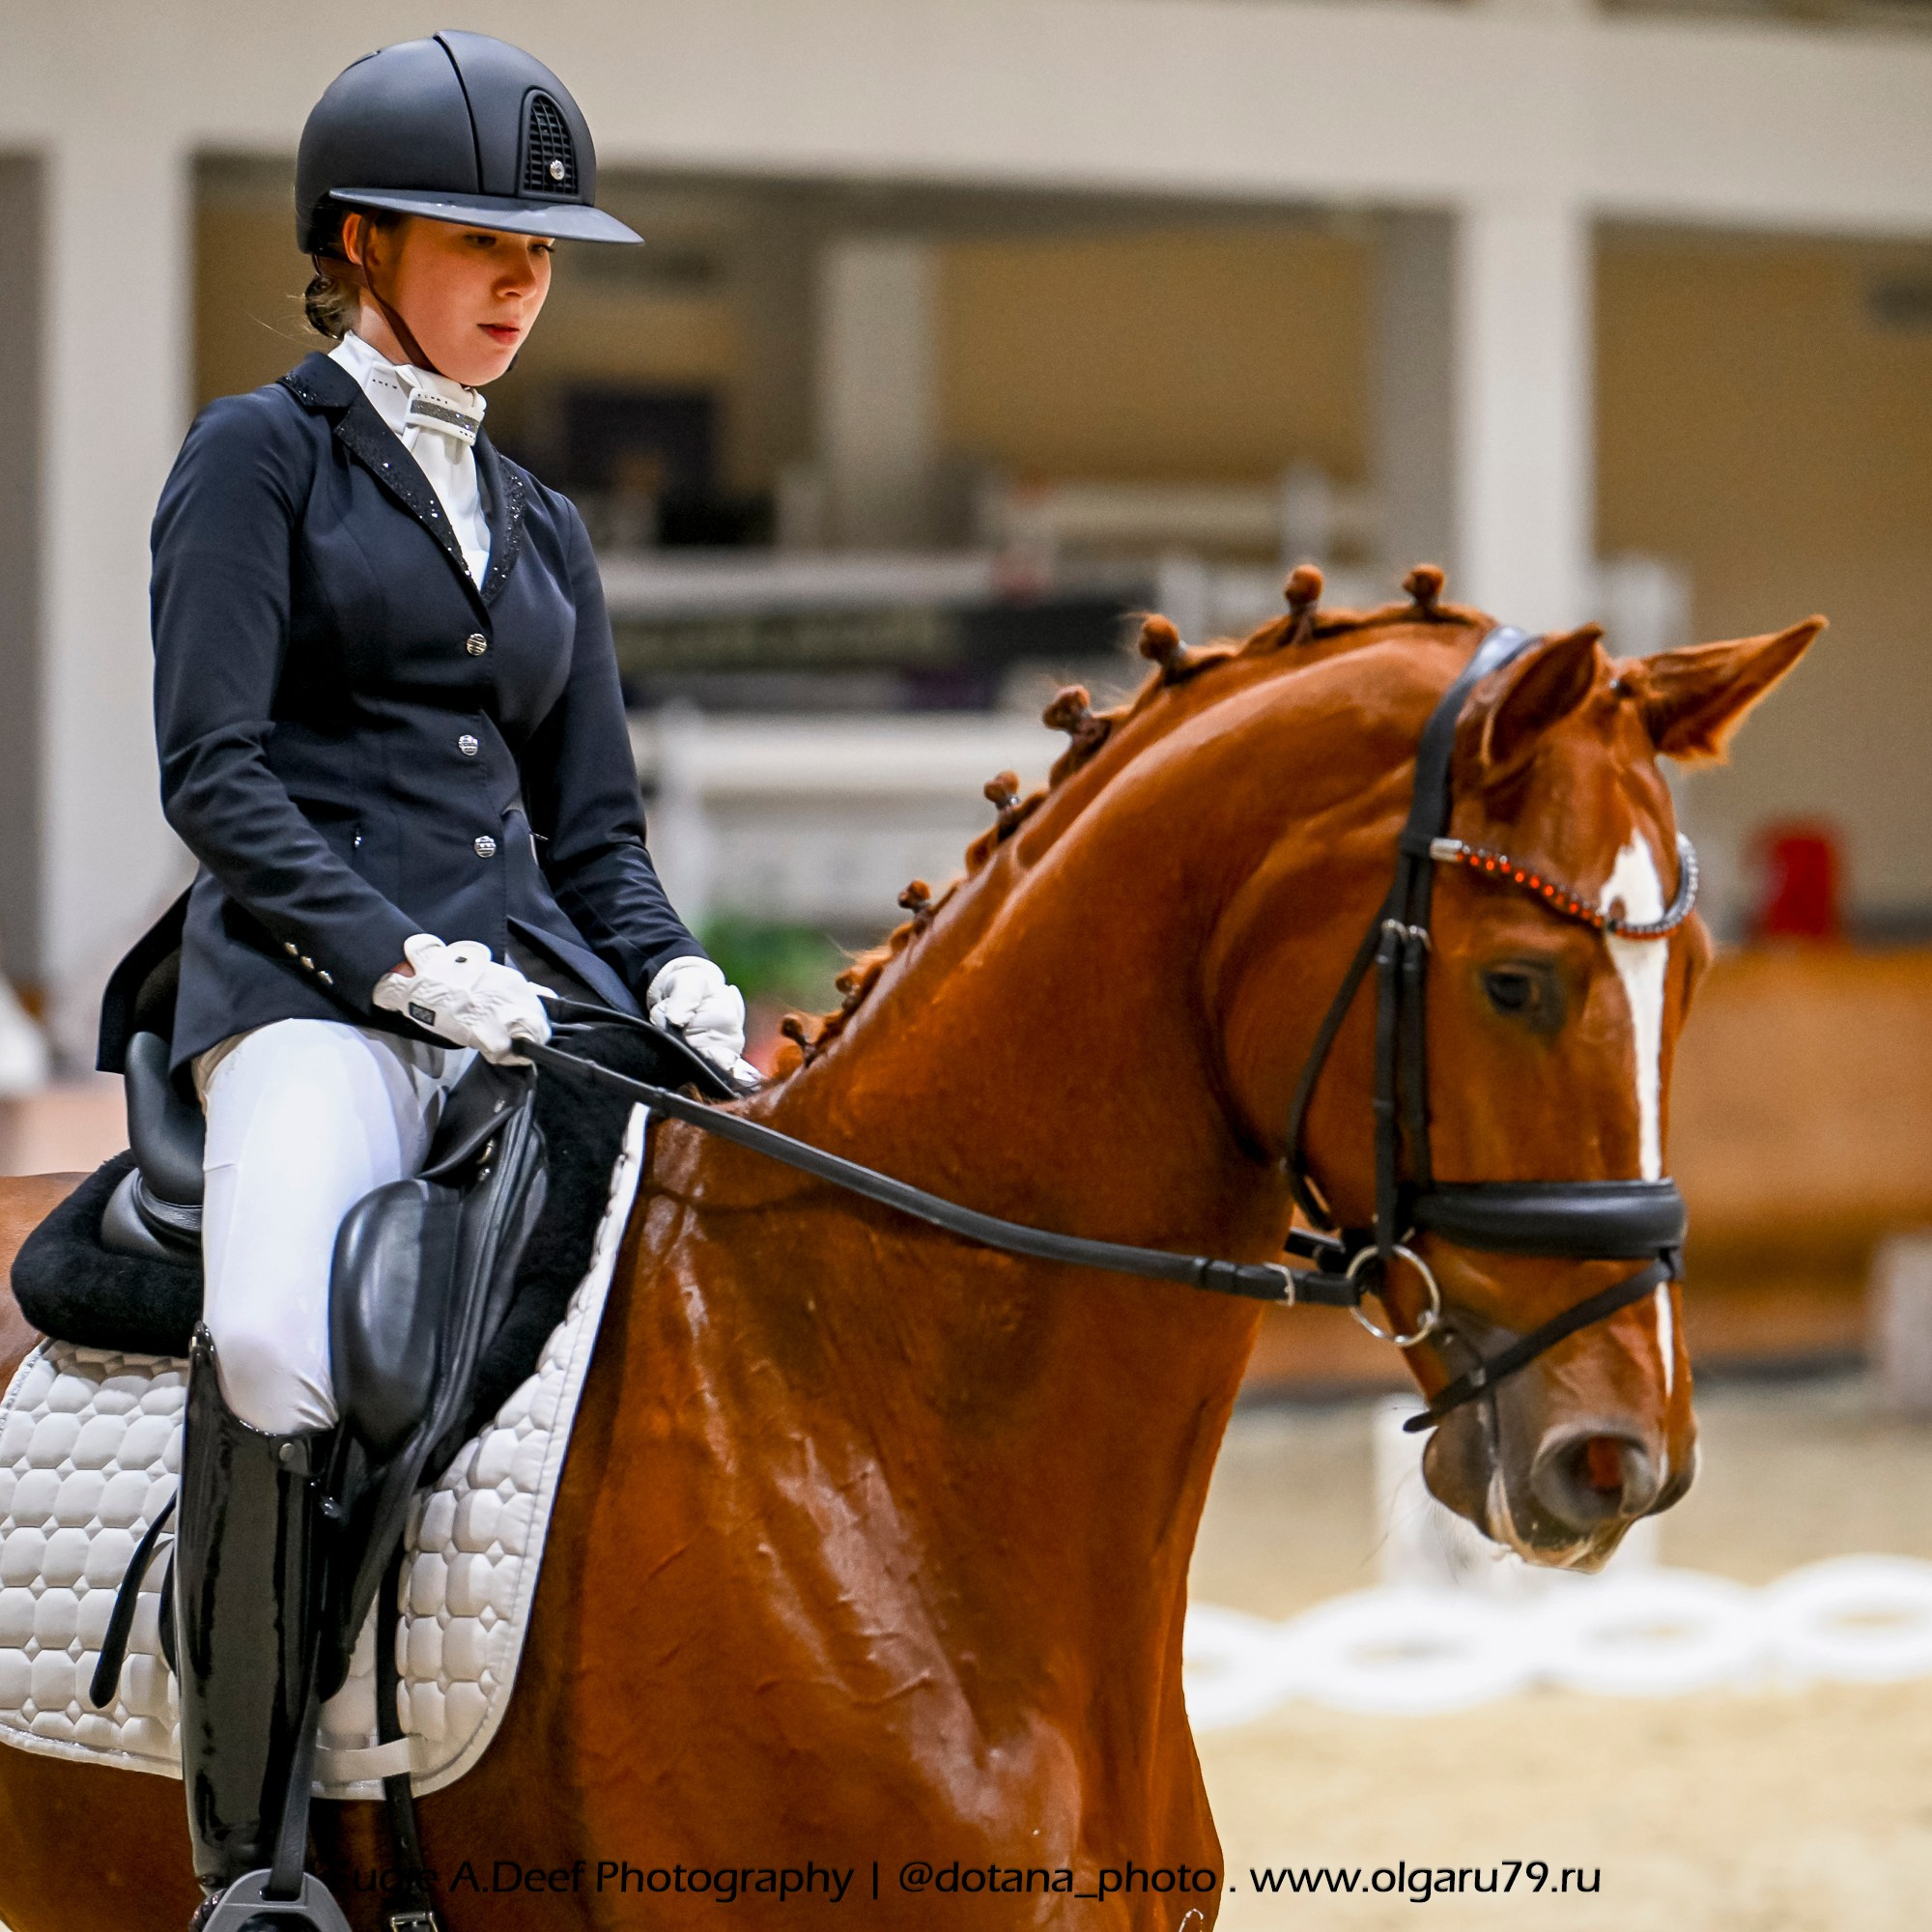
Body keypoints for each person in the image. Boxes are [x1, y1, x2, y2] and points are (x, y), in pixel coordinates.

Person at [116, 32, 752, 1927]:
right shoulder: (258, 457)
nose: (519, 285)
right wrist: (398, 963)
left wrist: (680, 967)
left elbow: (599, 827)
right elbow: (213, 772)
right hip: (310, 992)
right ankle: (254, 1854)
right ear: (362, 240)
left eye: (542, 256)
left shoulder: (543, 519)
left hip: (545, 1001)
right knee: (275, 1340)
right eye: (485, 244)